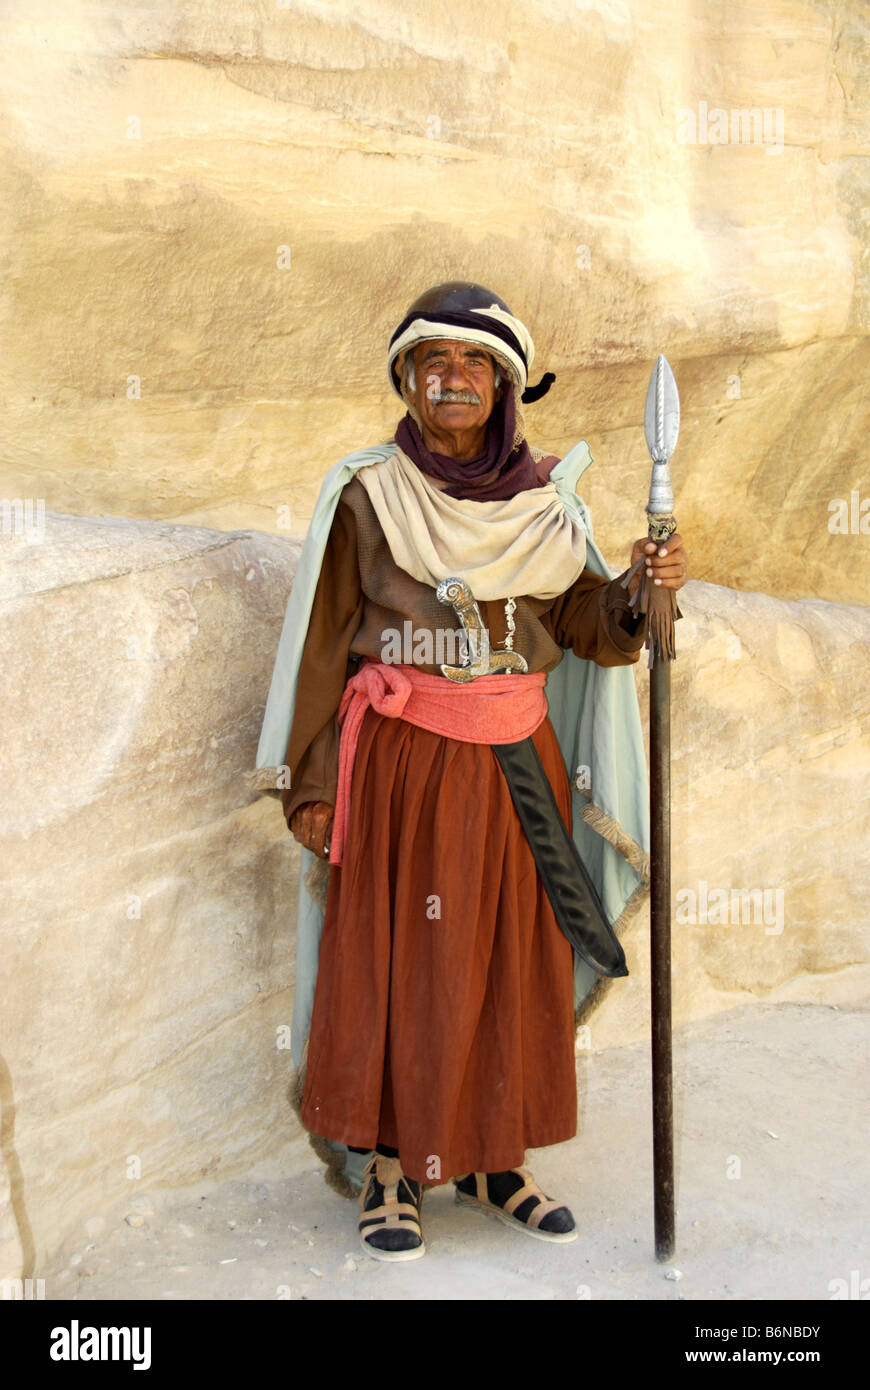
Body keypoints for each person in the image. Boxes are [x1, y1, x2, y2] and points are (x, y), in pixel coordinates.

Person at [264, 281, 688, 1261]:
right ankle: (390, 1165)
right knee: (398, 962)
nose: (452, 379)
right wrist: (310, 780)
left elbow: (589, 627)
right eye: (433, 361)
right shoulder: (369, 495)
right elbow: (325, 642)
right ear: (407, 377)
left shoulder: (547, 505)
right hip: (405, 767)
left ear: (505, 386)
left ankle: (498, 1158)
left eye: (474, 364)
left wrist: (636, 590)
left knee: (511, 957)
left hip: (521, 769)